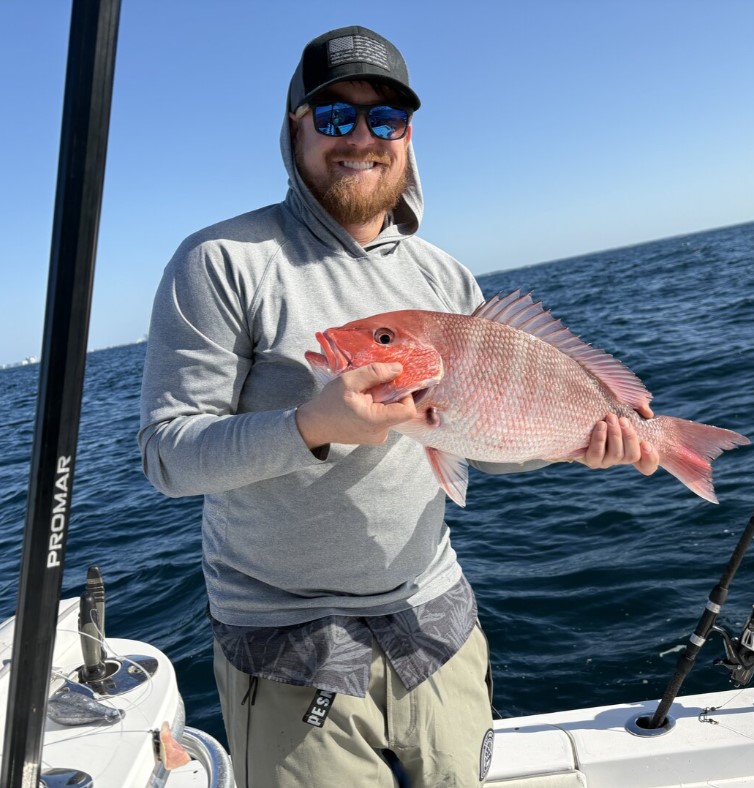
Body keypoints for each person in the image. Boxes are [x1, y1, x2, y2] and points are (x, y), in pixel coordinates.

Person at [139, 25, 659, 787]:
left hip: (437, 619)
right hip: (286, 644)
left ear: (408, 136)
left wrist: (576, 445)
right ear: (294, 128)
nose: (362, 137)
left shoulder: (447, 279)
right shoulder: (220, 263)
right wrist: (312, 425)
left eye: (385, 119)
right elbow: (165, 457)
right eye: (335, 116)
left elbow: (481, 442)